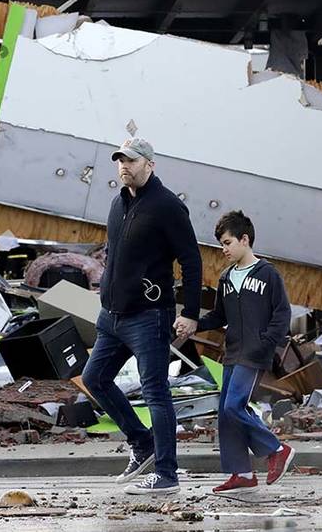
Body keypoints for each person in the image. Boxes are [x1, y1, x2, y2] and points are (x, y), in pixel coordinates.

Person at [81, 137, 203, 496]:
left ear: (150, 164)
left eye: (131, 161)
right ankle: (142, 443)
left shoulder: (167, 207)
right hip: (113, 316)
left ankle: (166, 474)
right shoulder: (117, 205)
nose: (124, 166)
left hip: (150, 316)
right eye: (120, 161)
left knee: (156, 392)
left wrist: (191, 313)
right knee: (95, 378)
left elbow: (192, 261)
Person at [191, 210, 295, 493]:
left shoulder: (268, 274)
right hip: (233, 353)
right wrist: (193, 324)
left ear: (244, 239)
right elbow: (217, 316)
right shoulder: (226, 278)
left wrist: (266, 342)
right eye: (222, 244)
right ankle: (243, 474)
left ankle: (277, 450)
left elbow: (282, 314)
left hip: (254, 353)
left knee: (233, 406)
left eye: (227, 243)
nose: (223, 249)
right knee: (227, 413)